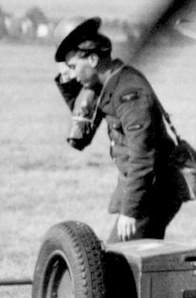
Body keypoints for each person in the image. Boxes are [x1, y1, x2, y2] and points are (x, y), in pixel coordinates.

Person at [53, 18, 182, 241]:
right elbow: (83, 127)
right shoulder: (109, 83)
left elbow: (143, 157)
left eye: (73, 67)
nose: (73, 74)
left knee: (117, 261)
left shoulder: (127, 92)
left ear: (92, 59)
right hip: (145, 189)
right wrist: (66, 80)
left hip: (153, 191)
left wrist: (130, 211)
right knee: (137, 263)